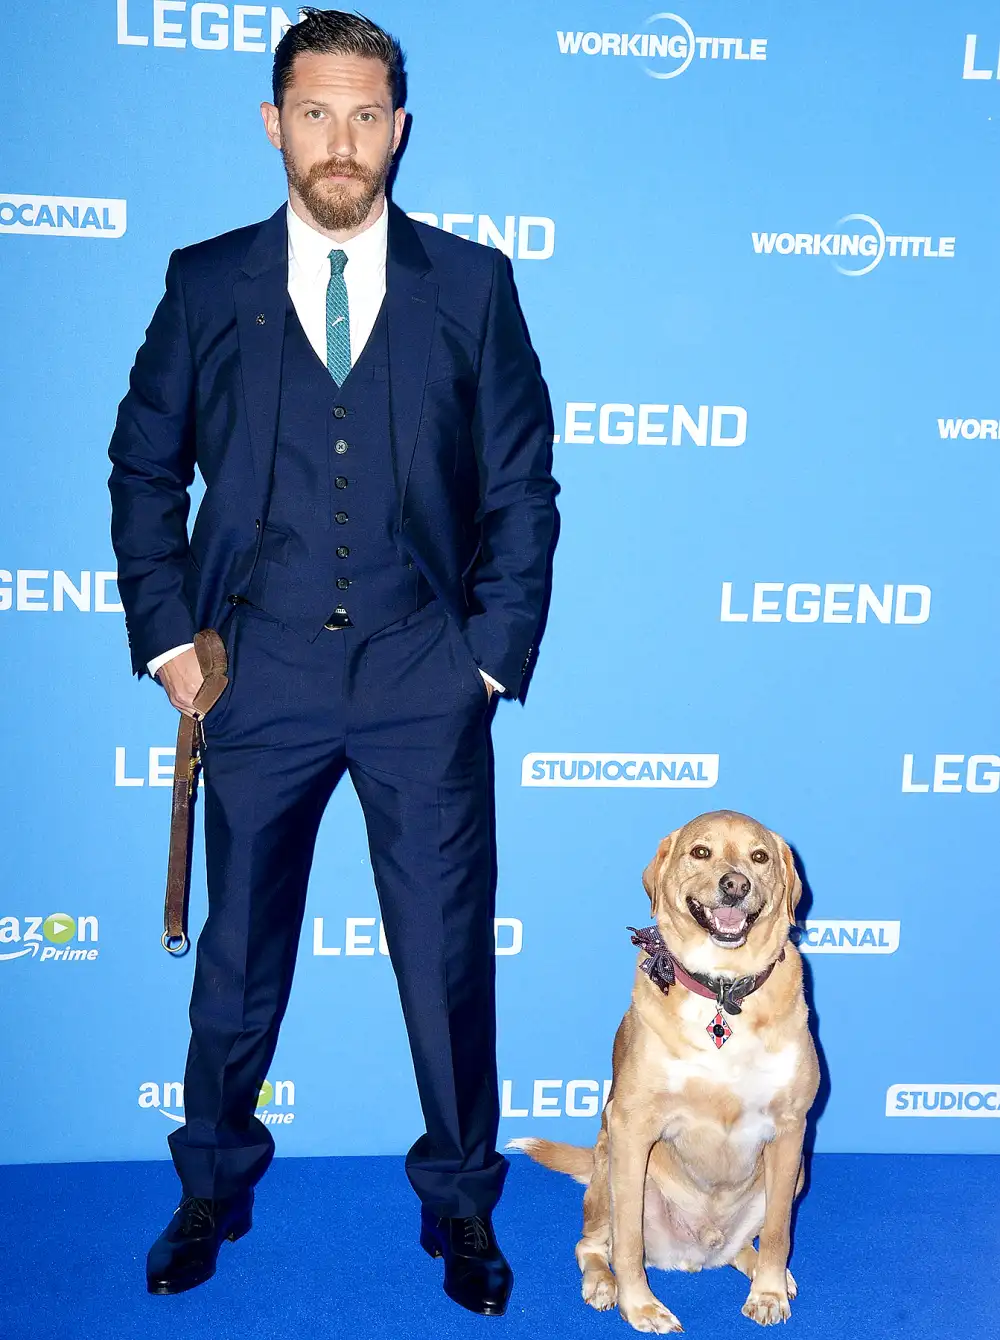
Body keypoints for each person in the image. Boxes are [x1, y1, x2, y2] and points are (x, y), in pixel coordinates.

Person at [108, 7, 555, 1316]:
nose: (341, 141)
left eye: (366, 114)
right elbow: (143, 469)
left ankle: (462, 1208)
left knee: (443, 960)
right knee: (238, 960)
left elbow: (523, 489)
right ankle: (210, 1186)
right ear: (273, 123)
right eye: (316, 112)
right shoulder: (207, 284)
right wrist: (166, 642)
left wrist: (487, 659)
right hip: (261, 674)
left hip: (426, 675)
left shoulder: (471, 286)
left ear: (398, 129)